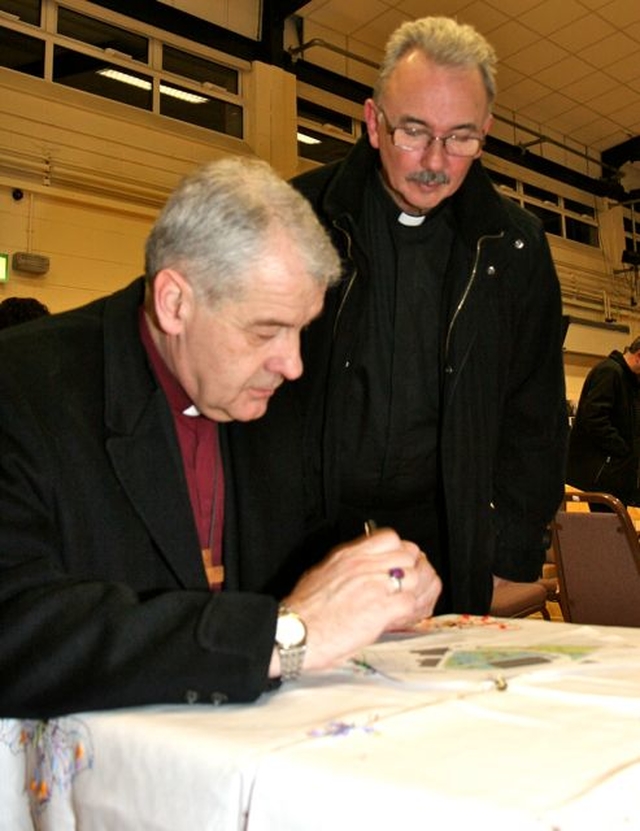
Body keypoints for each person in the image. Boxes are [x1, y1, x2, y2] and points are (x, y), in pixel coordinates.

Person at [0, 157, 441, 718]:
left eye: (302, 330)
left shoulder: (269, 402)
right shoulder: (22, 389)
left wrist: (381, 579)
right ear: (175, 303)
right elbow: (16, 627)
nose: (294, 365)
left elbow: (305, 567)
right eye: (266, 331)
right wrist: (282, 636)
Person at [232, 16, 567, 615]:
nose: (434, 160)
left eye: (461, 137)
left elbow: (534, 415)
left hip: (444, 546)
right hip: (302, 540)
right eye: (414, 130)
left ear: (484, 132)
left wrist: (508, 555)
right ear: (373, 123)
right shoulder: (296, 217)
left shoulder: (515, 250)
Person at [567, 338, 640, 505]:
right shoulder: (610, 372)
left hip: (616, 474)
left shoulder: (630, 380)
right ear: (638, 355)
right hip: (599, 475)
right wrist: (623, 449)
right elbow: (594, 418)